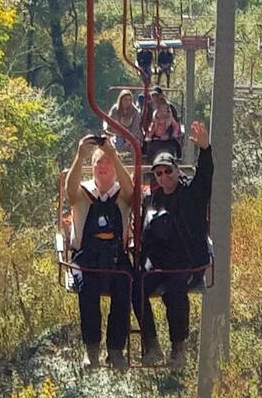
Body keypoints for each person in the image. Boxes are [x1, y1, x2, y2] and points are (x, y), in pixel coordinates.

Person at [138, 121, 213, 369]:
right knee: (135, 287)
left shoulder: (191, 193)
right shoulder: (153, 200)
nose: (164, 177)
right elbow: (146, 232)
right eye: (158, 174)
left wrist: (205, 149)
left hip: (186, 261)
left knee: (174, 293)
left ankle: (177, 348)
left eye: (167, 171)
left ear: (176, 170)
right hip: (160, 261)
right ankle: (151, 344)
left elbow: (205, 177)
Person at [63, 134, 136, 369]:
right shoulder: (84, 194)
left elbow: (132, 194)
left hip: (115, 257)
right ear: (92, 168)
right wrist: (80, 155)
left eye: (107, 162)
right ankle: (91, 349)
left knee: (125, 287)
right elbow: (69, 190)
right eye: (98, 162)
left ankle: (116, 350)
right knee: (88, 290)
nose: (103, 167)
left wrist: (114, 155)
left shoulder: (121, 195)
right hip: (87, 257)